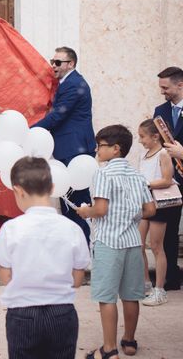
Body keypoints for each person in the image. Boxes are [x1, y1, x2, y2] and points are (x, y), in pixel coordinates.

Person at [0, 157, 89, 359]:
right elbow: (78, 280)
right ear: (53, 187)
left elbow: (5, 276)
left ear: (18, 190)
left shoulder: (11, 229)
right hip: (62, 313)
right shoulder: (72, 228)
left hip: (22, 314)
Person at [77, 125, 156, 359]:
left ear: (115, 149)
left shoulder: (103, 173)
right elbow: (150, 209)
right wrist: (130, 214)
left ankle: (109, 349)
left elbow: (100, 210)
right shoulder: (137, 174)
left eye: (100, 145)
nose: (97, 150)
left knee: (107, 296)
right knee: (131, 295)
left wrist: (85, 211)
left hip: (109, 241)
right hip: (132, 241)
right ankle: (129, 341)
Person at [33, 46, 96, 243]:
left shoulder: (73, 84)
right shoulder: (67, 83)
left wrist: (30, 131)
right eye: (53, 61)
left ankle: (82, 246)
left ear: (71, 64)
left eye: (58, 62)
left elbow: (58, 116)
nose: (53, 66)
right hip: (69, 147)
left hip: (74, 148)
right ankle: (75, 244)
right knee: (68, 199)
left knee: (77, 200)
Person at [136, 119, 175, 306]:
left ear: (155, 136)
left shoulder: (163, 154)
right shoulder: (144, 156)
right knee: (139, 244)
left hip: (159, 204)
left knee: (156, 246)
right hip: (145, 203)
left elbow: (167, 180)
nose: (140, 141)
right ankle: (146, 285)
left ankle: (160, 290)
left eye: (142, 137)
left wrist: (144, 183)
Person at [153, 66, 183, 290]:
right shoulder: (160, 110)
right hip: (169, 181)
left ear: (180, 85)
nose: (162, 92)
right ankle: (171, 278)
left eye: (166, 87)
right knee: (169, 230)